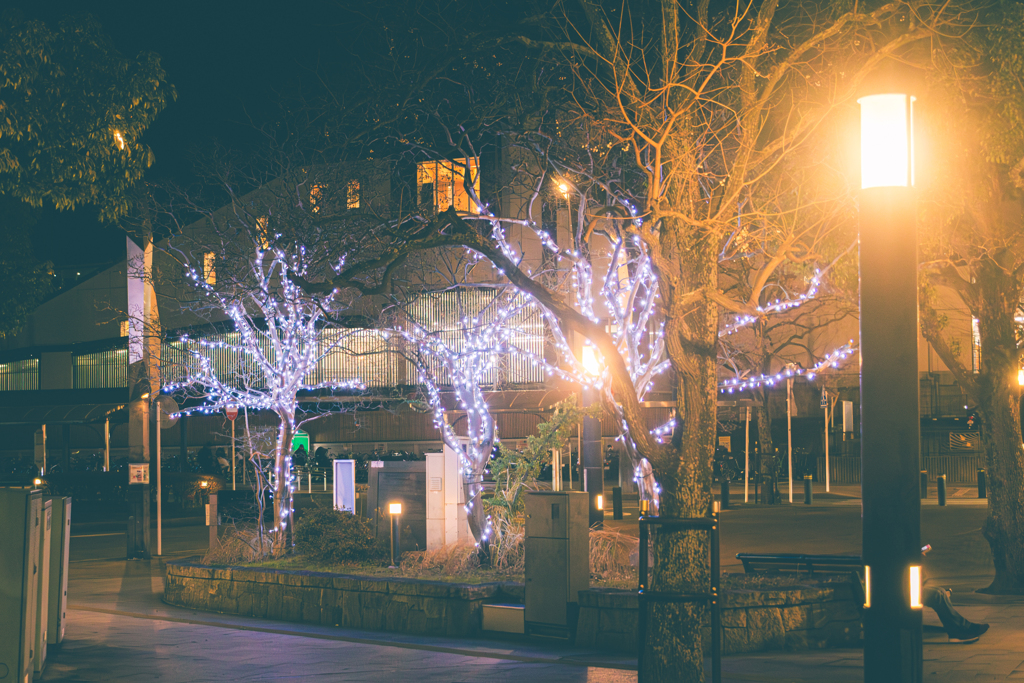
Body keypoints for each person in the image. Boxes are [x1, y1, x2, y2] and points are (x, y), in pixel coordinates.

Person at [922, 544, 989, 643]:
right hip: (901, 593)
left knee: (940, 591)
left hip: (907, 589)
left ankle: (963, 627)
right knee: (937, 595)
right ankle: (958, 632)